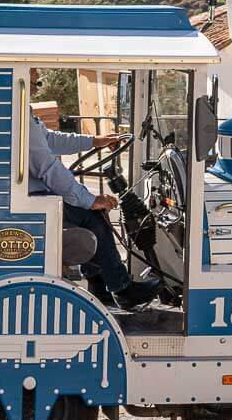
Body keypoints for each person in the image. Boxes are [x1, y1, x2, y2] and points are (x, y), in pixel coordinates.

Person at [26, 78, 156, 311]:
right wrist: (90, 200)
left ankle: (99, 285)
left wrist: (95, 141)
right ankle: (121, 289)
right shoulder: (18, 113)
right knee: (93, 214)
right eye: (33, 72)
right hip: (31, 199)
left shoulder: (22, 109)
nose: (38, 79)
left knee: (91, 212)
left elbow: (49, 140)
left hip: (32, 194)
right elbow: (47, 167)